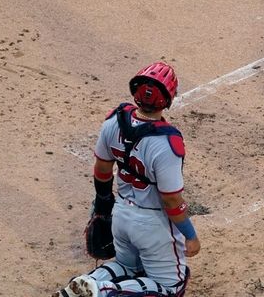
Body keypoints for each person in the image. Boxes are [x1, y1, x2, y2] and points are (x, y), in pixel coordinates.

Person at [53, 62, 200, 297]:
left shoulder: (114, 120)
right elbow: (172, 201)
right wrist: (190, 235)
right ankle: (102, 291)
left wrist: (103, 202)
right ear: (169, 97)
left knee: (127, 267)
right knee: (172, 288)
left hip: (121, 214)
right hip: (153, 225)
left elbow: (102, 168)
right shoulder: (167, 143)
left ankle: (87, 283)